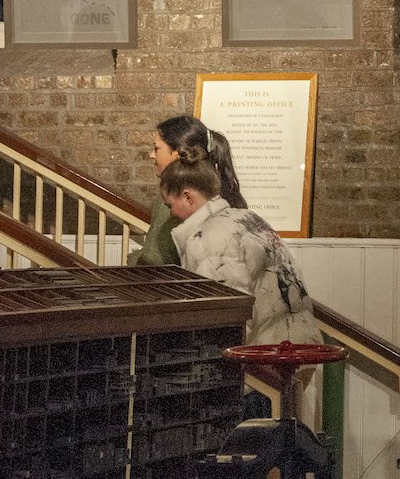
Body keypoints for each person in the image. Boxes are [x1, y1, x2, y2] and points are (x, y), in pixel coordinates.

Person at [159, 145, 321, 348]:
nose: (171, 214)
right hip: (299, 340)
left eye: (170, 205)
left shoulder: (207, 240)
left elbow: (226, 318)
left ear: (188, 197)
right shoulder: (247, 217)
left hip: (268, 351)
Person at [130, 115, 247, 266]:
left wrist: (133, 259)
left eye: (157, 148)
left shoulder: (175, 196)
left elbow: (154, 260)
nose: (152, 155)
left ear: (177, 154)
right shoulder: (218, 189)